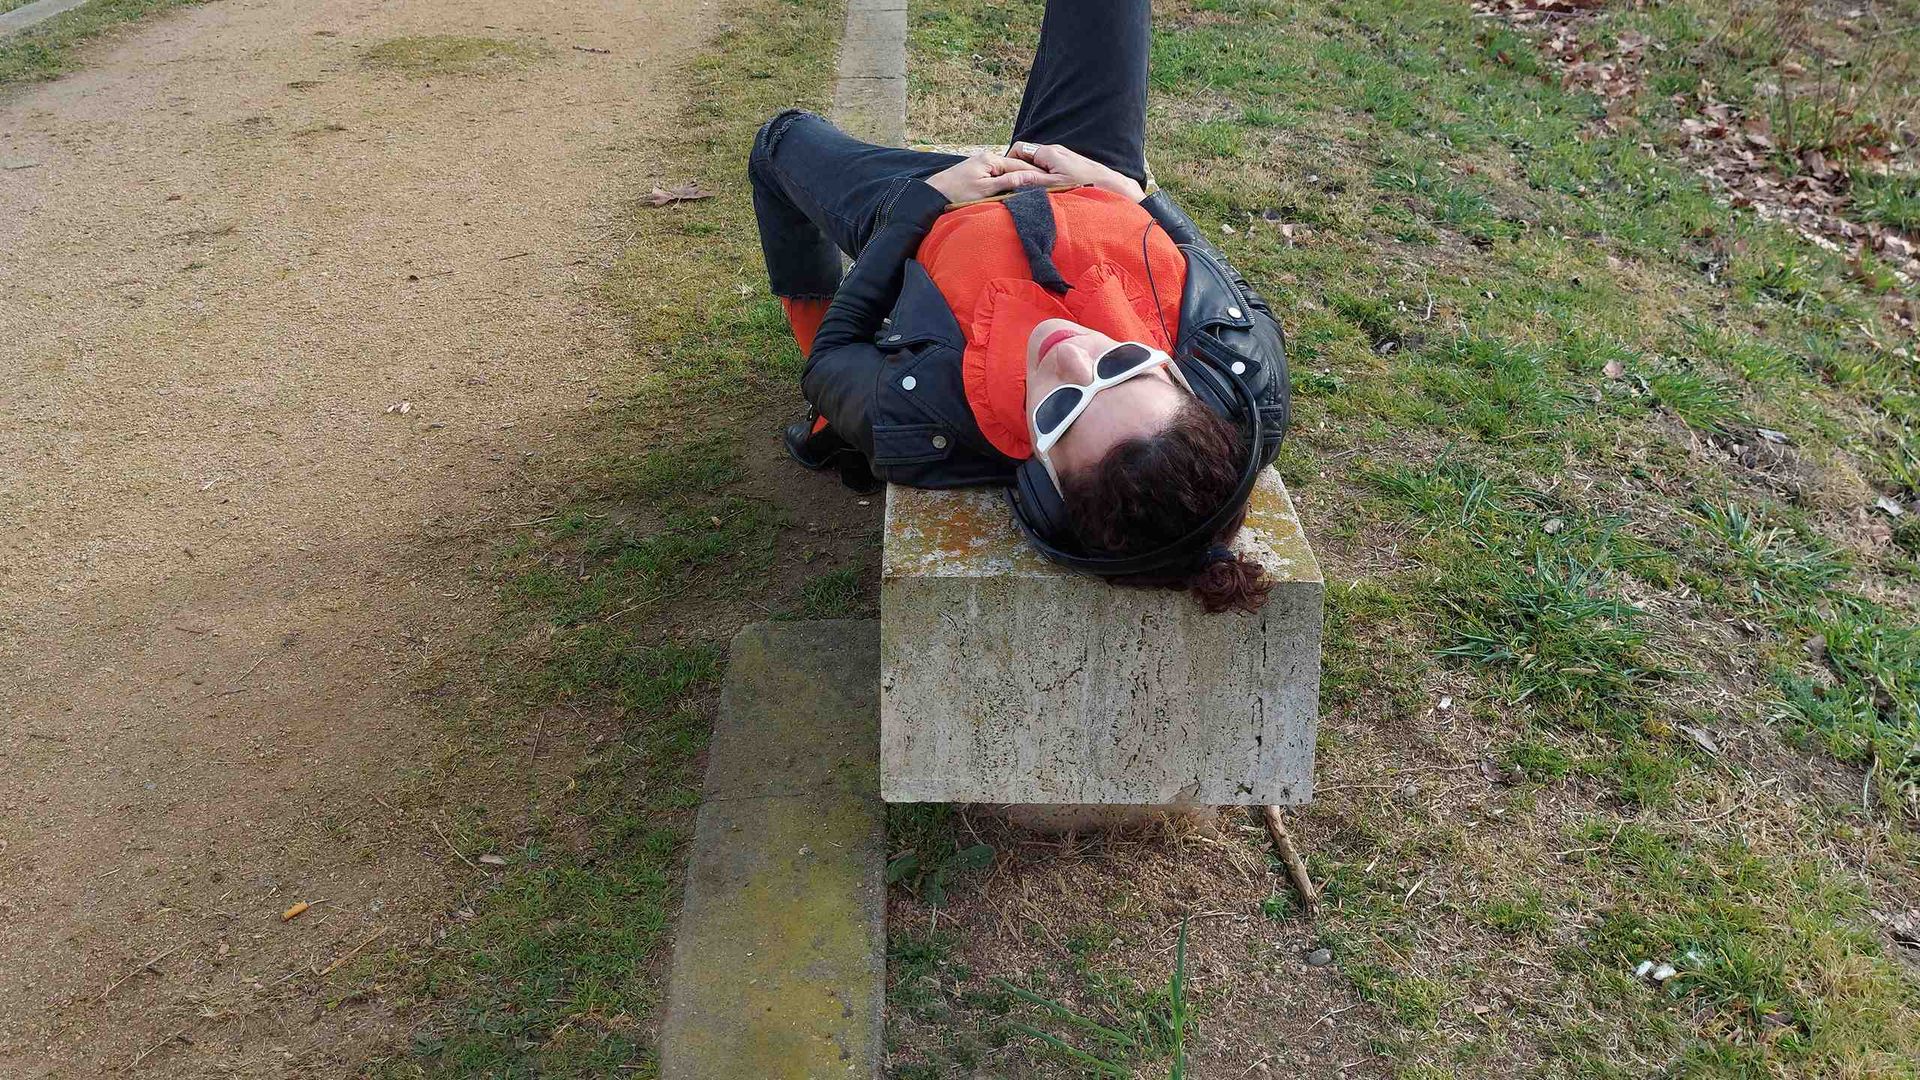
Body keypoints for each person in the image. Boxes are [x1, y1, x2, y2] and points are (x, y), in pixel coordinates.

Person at [748, 0, 1289, 613]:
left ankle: (829, 426)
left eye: (1062, 410)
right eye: (1121, 366)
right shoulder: (1245, 375)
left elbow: (830, 362)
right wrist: (1137, 195)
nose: (1076, 354)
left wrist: (920, 207)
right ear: (1174, 375)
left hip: (941, 216)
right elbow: (1231, 287)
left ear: (1041, 475)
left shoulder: (925, 413)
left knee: (780, 139)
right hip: (1085, 180)